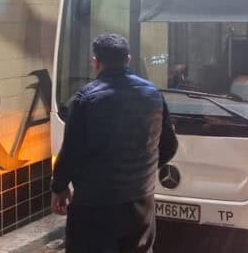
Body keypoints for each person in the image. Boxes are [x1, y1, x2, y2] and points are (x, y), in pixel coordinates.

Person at [51, 34, 178, 253]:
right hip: (141, 203)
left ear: (96, 62)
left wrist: (59, 187)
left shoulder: (85, 100)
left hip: (95, 207)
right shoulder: (152, 94)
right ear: (128, 59)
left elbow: (71, 152)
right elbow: (169, 146)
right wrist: (141, 171)